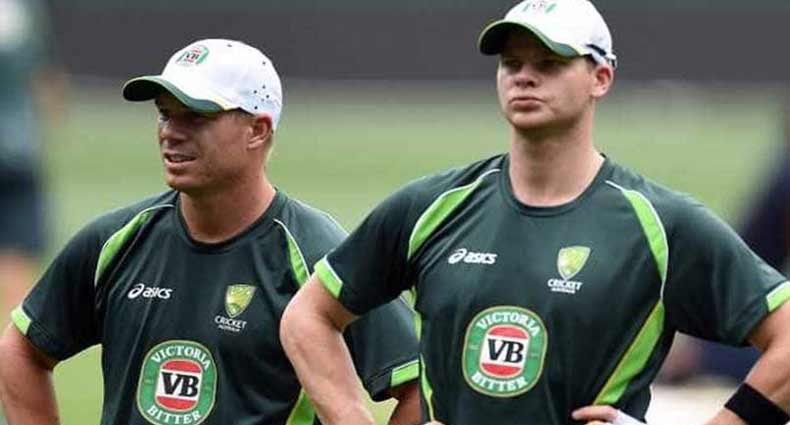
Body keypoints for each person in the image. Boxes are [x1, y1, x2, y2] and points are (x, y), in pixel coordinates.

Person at [279, 1, 790, 425]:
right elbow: (309, 316)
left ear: (601, 77)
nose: (524, 77)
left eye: (548, 64)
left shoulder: (660, 225)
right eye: (512, 63)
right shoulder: (432, 207)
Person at [0, 39, 421, 425]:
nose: (170, 132)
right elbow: (22, 349)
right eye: (165, 113)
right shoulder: (115, 241)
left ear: (258, 130)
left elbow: (418, 388)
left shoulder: (316, 252)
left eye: (196, 116)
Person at [0, 0, 64, 323]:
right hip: (21, 149)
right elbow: (46, 83)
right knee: (17, 259)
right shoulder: (24, 11)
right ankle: (17, 344)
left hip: (18, 152)